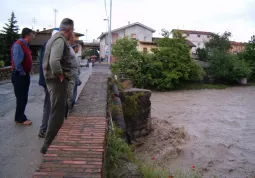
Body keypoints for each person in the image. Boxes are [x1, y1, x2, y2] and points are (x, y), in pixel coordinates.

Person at [40, 18, 74, 154]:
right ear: (70, 29)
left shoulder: (54, 39)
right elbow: (54, 61)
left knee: (56, 111)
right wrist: (60, 75)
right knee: (57, 113)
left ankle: (51, 143)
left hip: (52, 80)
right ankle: (48, 145)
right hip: (56, 81)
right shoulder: (60, 40)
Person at [38, 28, 59, 138]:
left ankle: (45, 129)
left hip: (47, 79)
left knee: (49, 105)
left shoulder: (47, 44)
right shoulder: (51, 45)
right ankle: (45, 130)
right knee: (49, 105)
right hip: (50, 80)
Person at [11, 28, 34, 125]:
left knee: (23, 97)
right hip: (20, 76)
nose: (33, 37)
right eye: (32, 35)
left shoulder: (25, 45)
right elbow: (17, 62)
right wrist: (22, 72)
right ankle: (20, 118)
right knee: (21, 97)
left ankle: (19, 116)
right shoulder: (19, 45)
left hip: (23, 75)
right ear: (27, 35)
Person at [65, 34, 81, 118]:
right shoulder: (70, 51)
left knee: (73, 94)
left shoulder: (74, 54)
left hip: (75, 76)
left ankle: (71, 108)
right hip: (71, 76)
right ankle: (68, 110)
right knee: (70, 95)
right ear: (75, 47)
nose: (78, 49)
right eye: (78, 47)